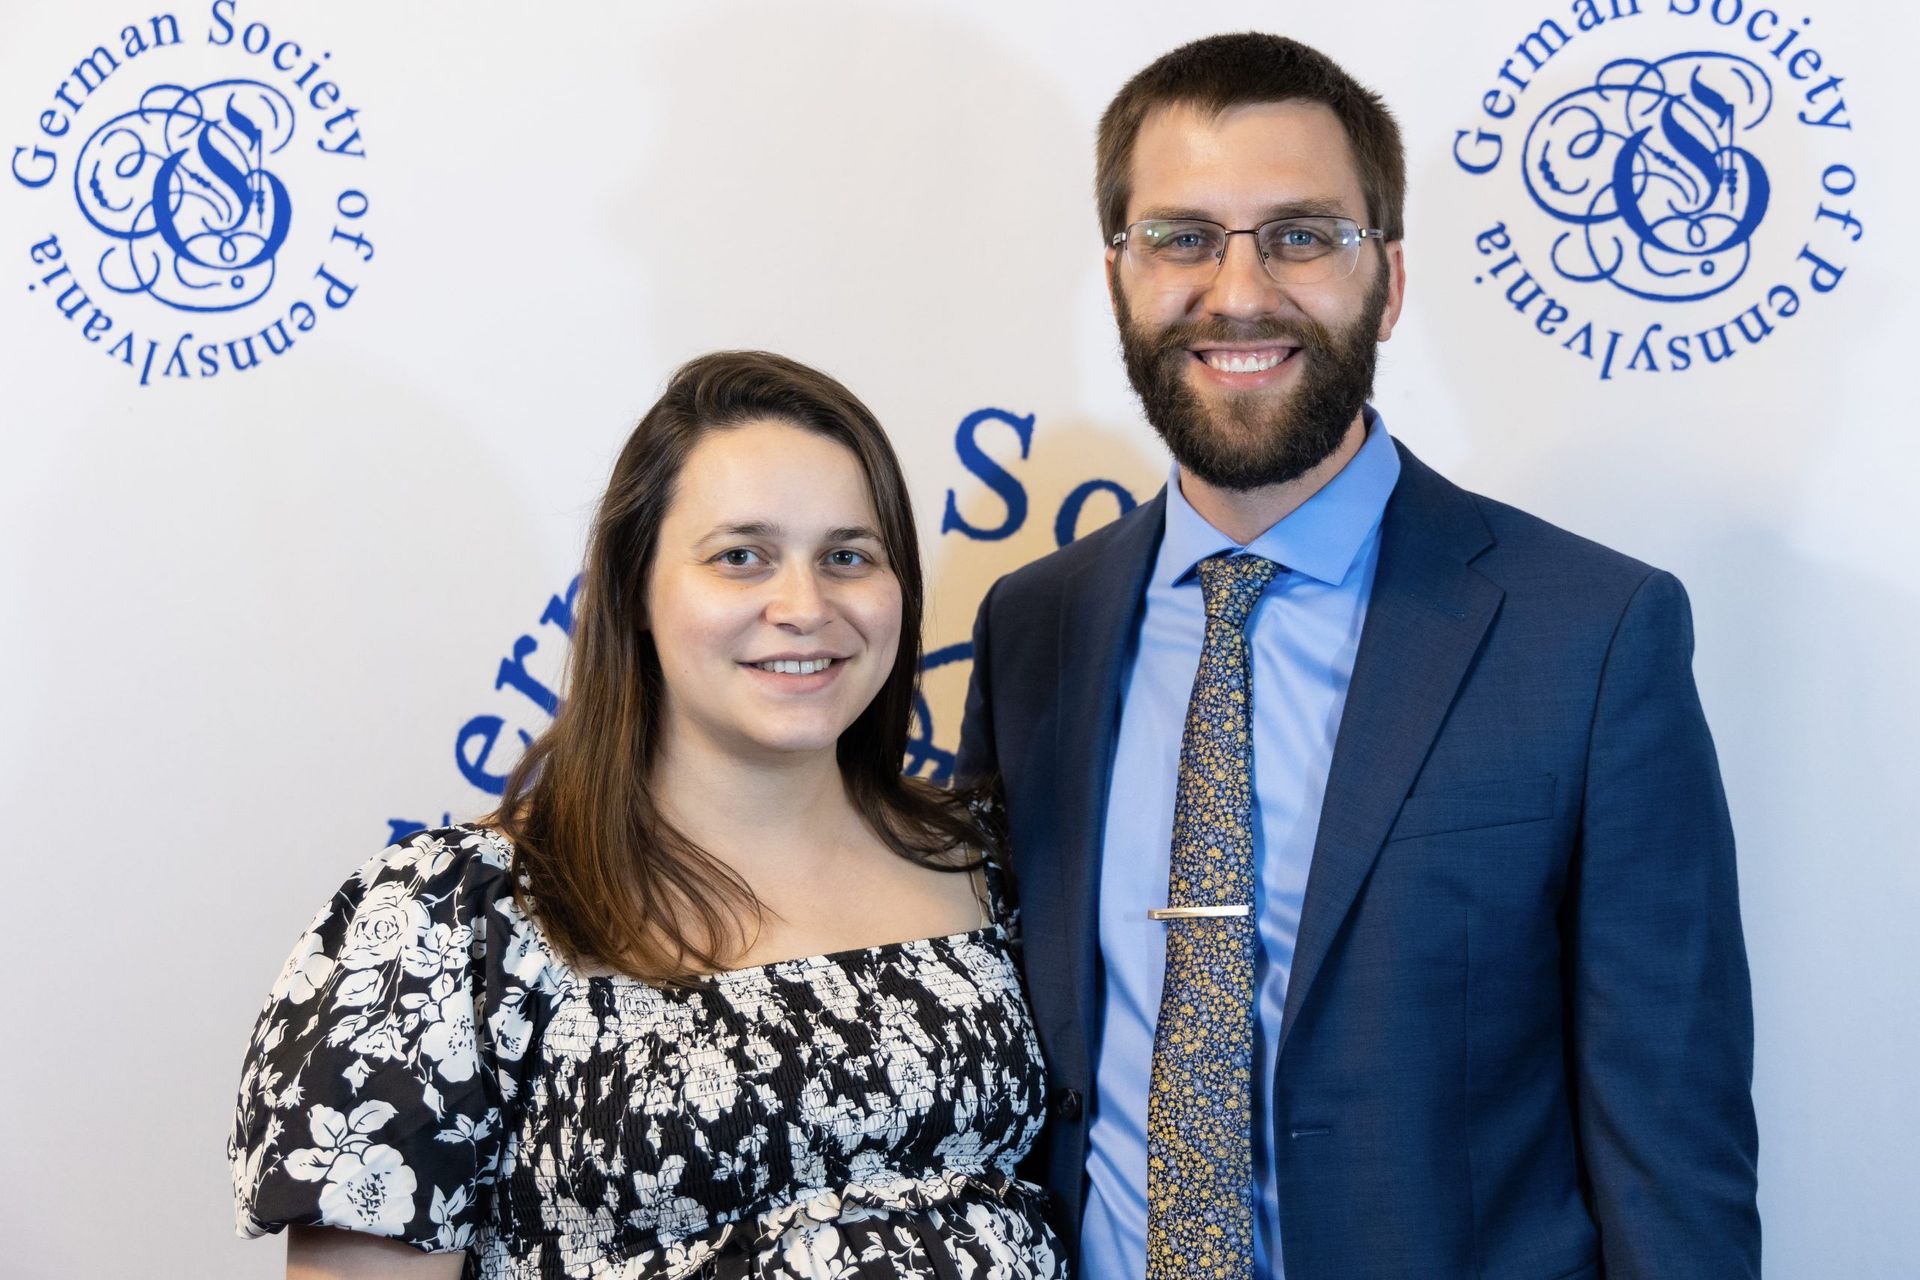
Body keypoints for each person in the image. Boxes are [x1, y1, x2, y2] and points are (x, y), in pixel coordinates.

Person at [956, 33, 1760, 1280]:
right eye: (1181, 237)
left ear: (1386, 280)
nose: (1237, 292)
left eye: (1301, 235)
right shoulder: (1032, 627)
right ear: (1117, 276)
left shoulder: (1592, 635)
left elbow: (1673, 1152)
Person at [231, 351, 1066, 1279]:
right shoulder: (452, 921)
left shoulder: (996, 861)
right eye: (740, 557)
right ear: (633, 591)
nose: (805, 606)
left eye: (847, 556)